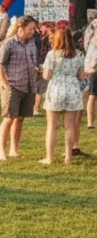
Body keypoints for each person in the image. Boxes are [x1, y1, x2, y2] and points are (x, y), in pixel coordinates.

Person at [39, 25, 86, 165]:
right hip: (72, 89)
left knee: (52, 126)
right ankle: (68, 157)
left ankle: (49, 157)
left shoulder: (52, 54)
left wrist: (43, 70)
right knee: (70, 126)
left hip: (56, 89)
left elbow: (47, 76)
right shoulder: (79, 55)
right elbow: (80, 76)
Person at [0, 15, 38, 161]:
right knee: (9, 118)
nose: (33, 31)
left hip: (28, 86)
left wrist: (37, 68)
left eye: (34, 29)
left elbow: (33, 62)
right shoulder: (9, 43)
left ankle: (14, 150)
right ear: (21, 27)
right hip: (12, 86)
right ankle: (1, 151)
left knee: (20, 119)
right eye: (30, 29)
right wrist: (3, 82)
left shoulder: (32, 43)